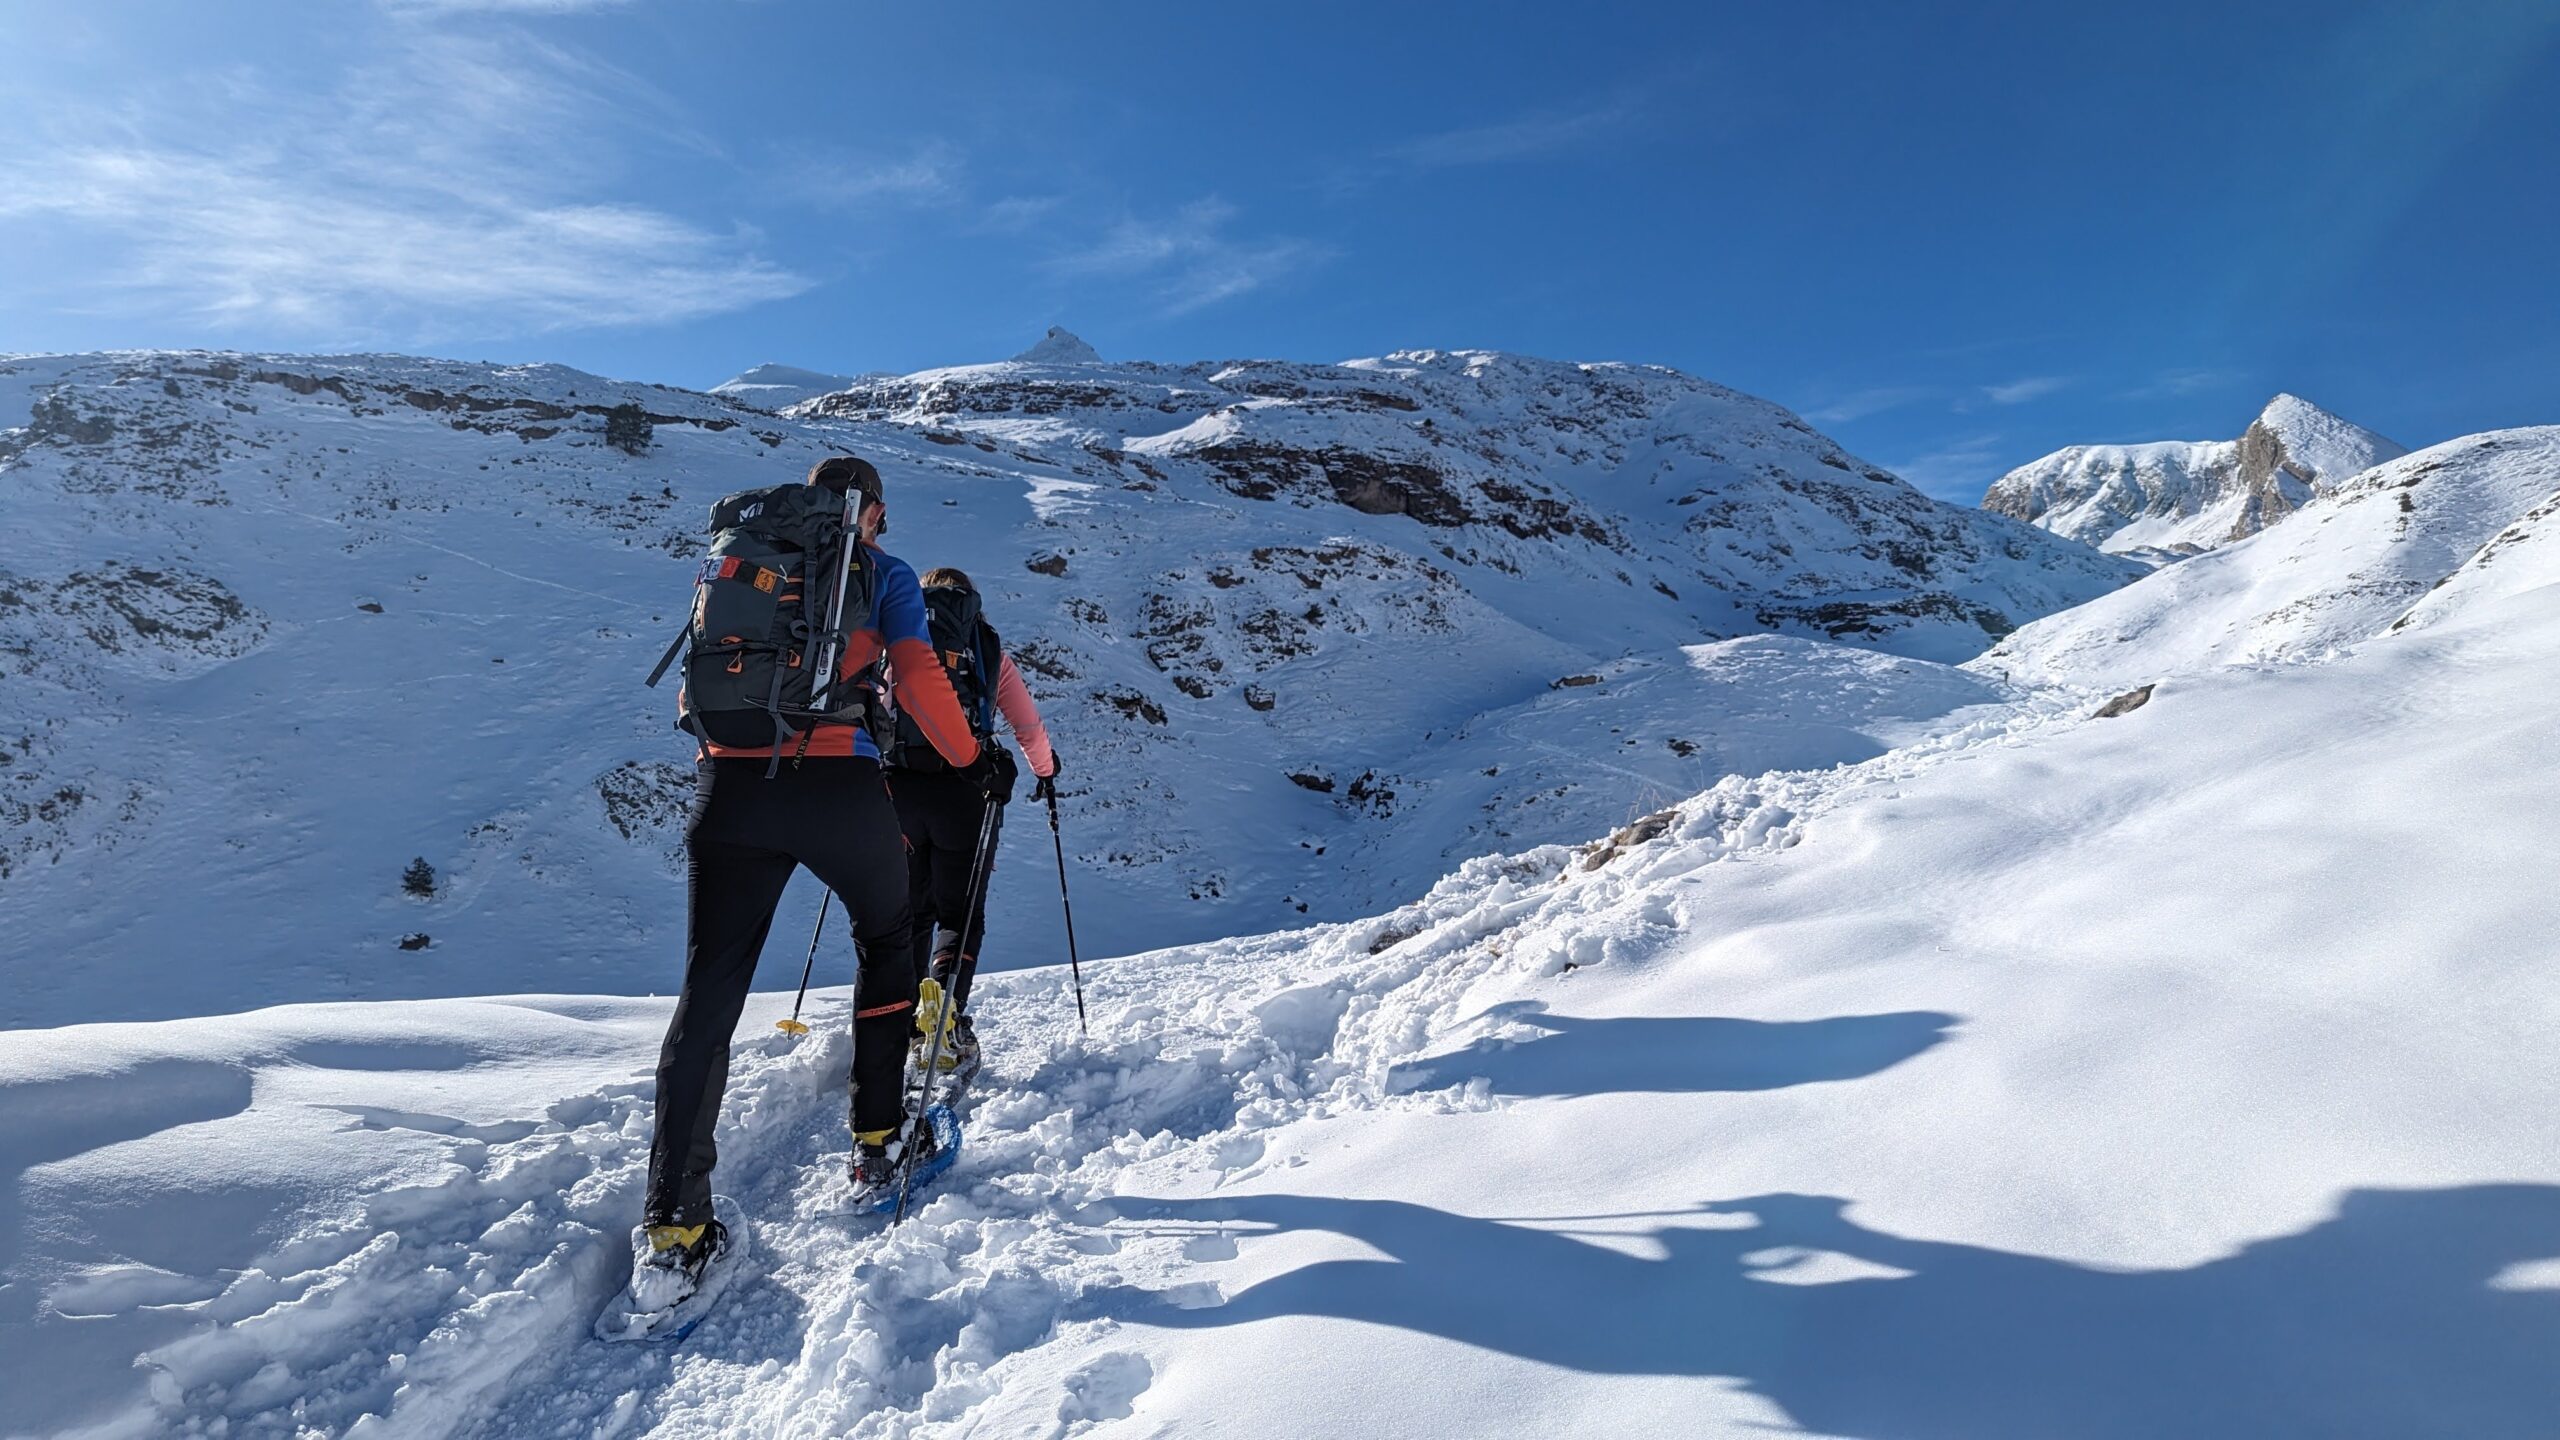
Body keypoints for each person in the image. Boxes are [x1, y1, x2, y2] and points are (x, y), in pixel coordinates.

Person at [635, 455, 981, 1303]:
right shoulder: (881, 570)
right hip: (838, 784)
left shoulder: (743, 555)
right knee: (887, 940)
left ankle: (674, 1228)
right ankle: (878, 1140)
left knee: (708, 995)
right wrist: (969, 755)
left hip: (730, 791)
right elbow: (920, 674)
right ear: (873, 512)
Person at [884, 566, 1059, 1083]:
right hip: (968, 788)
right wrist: (1045, 771)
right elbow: (1027, 723)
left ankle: (906, 1018)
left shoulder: (899, 636)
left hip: (900, 788)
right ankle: (945, 1016)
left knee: (910, 910)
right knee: (961, 914)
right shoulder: (984, 648)